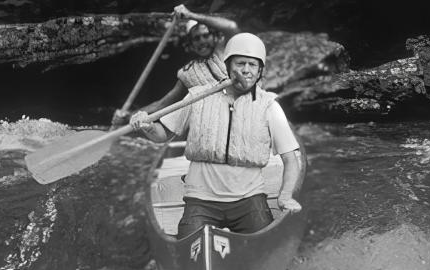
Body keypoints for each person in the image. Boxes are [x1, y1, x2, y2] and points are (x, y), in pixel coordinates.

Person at [130, 33, 304, 238]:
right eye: (240, 64)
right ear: (228, 65)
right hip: (200, 201)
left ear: (260, 72)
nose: (246, 70)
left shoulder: (269, 106)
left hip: (249, 200)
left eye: (253, 65)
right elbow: (162, 135)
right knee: (187, 246)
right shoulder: (197, 95)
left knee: (265, 243)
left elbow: (291, 160)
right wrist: (147, 126)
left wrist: (285, 196)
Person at [112, 4, 240, 125]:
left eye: (205, 36)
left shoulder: (226, 48)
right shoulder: (188, 72)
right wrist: (129, 116)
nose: (202, 41)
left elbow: (231, 27)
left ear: (214, 37)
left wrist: (190, 15)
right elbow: (162, 105)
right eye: (196, 38)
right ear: (191, 44)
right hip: (219, 125)